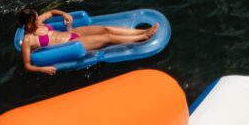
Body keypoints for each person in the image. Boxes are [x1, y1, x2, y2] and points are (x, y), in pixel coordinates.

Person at [18, 7, 159, 76]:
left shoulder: (39, 21)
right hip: (72, 44)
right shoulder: (27, 40)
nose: (39, 20)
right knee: (107, 39)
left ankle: (141, 31)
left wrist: (63, 14)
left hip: (72, 33)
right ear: (28, 24)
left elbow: (51, 12)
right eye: (35, 20)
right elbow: (27, 66)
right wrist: (42, 69)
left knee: (106, 29)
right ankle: (143, 37)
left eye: (37, 17)